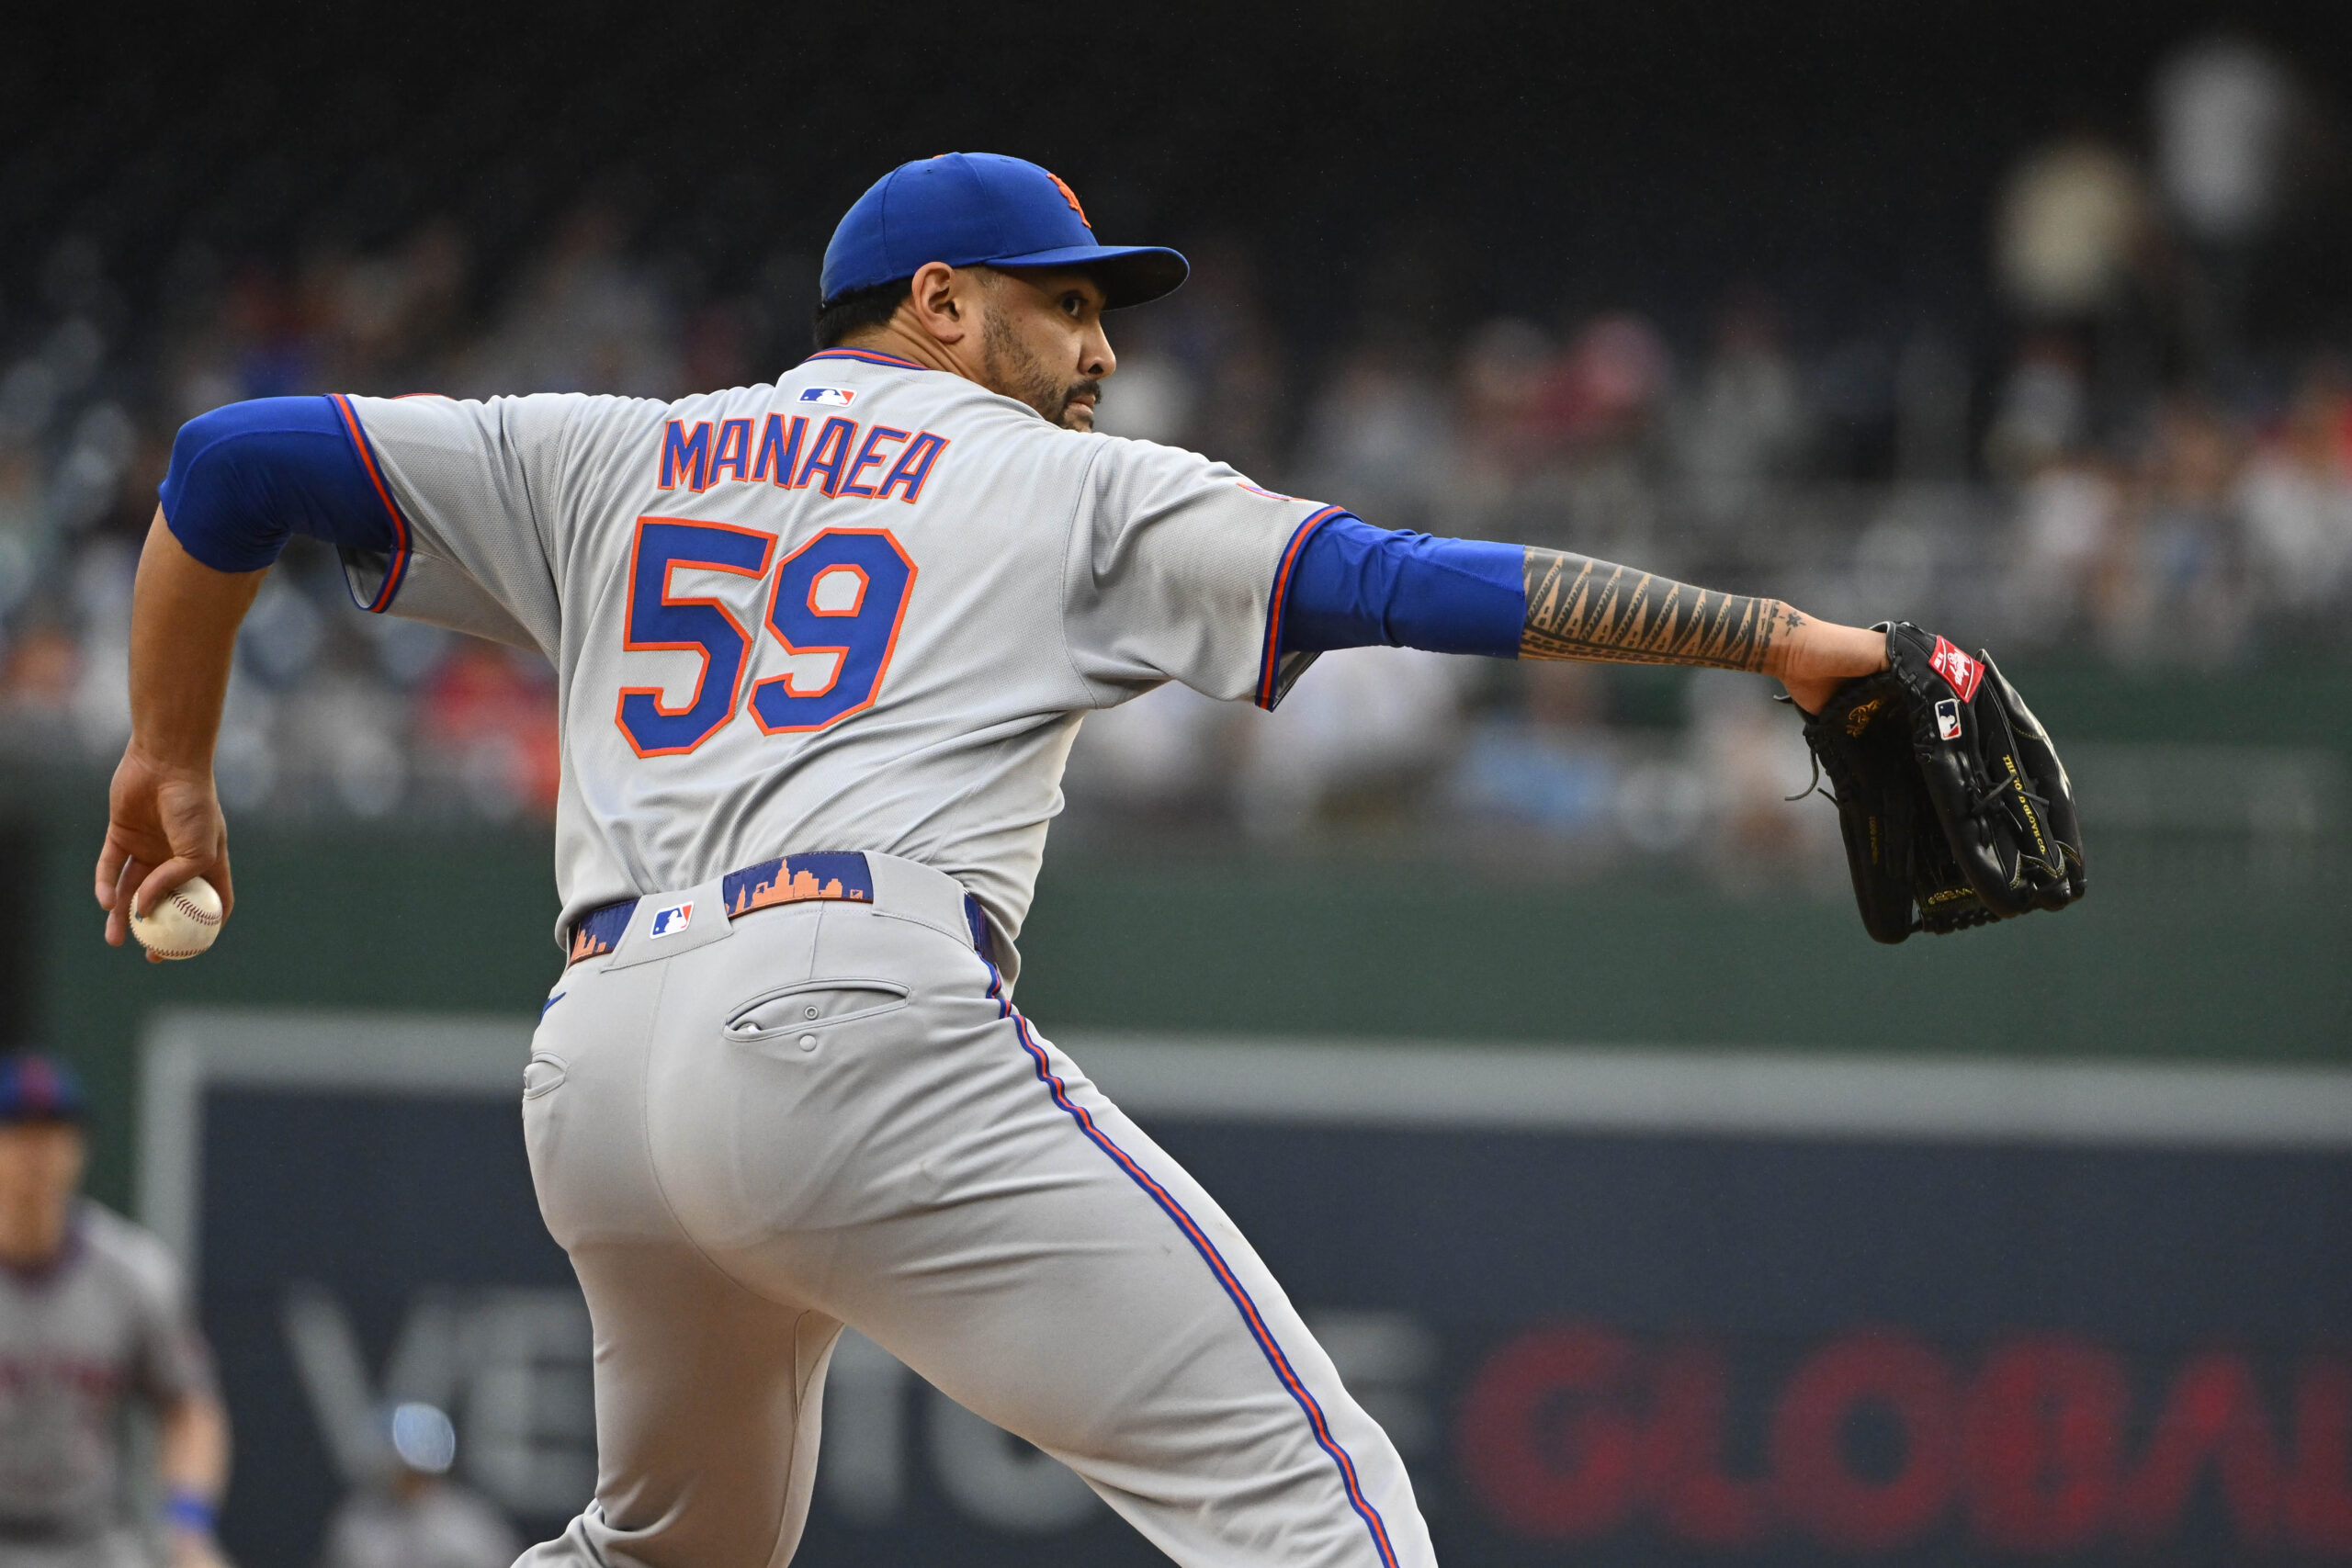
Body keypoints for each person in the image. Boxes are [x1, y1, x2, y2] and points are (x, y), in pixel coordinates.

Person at [94, 152, 1893, 1565]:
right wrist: (1775, 639)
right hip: (843, 1007)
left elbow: (231, 463)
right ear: (941, 303)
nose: (1101, 347)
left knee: (665, 1551)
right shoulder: (1067, 484)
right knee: (1312, 1497)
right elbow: (1401, 582)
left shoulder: (617, 454)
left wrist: (168, 752)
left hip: (599, 1058)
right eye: (1065, 305)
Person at [0, 1055, 229, 1568]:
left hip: (91, 1540)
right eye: (17, 1132)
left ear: (79, 1148)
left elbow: (189, 1407)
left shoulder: (132, 1274)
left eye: (54, 1133)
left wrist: (188, 1528)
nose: (36, 1154)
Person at [317, 1403, 518, 1568]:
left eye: (415, 1471)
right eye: (401, 1470)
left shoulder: (468, 1522)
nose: (410, 1480)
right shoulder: (358, 1524)